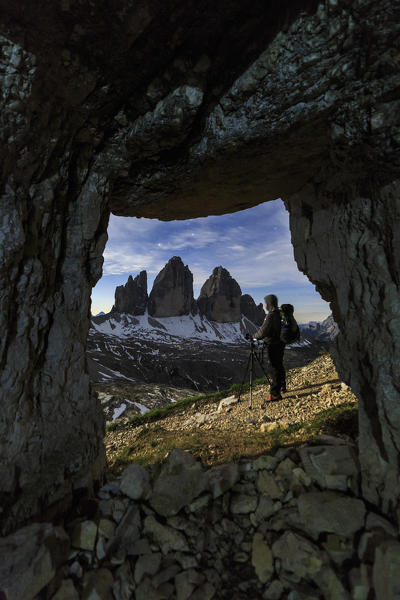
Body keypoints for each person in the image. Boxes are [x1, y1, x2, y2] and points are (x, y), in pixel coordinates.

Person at [253, 294, 286, 401]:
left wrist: (253, 337)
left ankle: (275, 394)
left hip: (273, 344)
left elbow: (263, 331)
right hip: (281, 343)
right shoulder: (279, 314)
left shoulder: (271, 315)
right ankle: (282, 386)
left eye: (266, 302)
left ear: (269, 303)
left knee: (274, 368)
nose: (265, 305)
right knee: (279, 365)